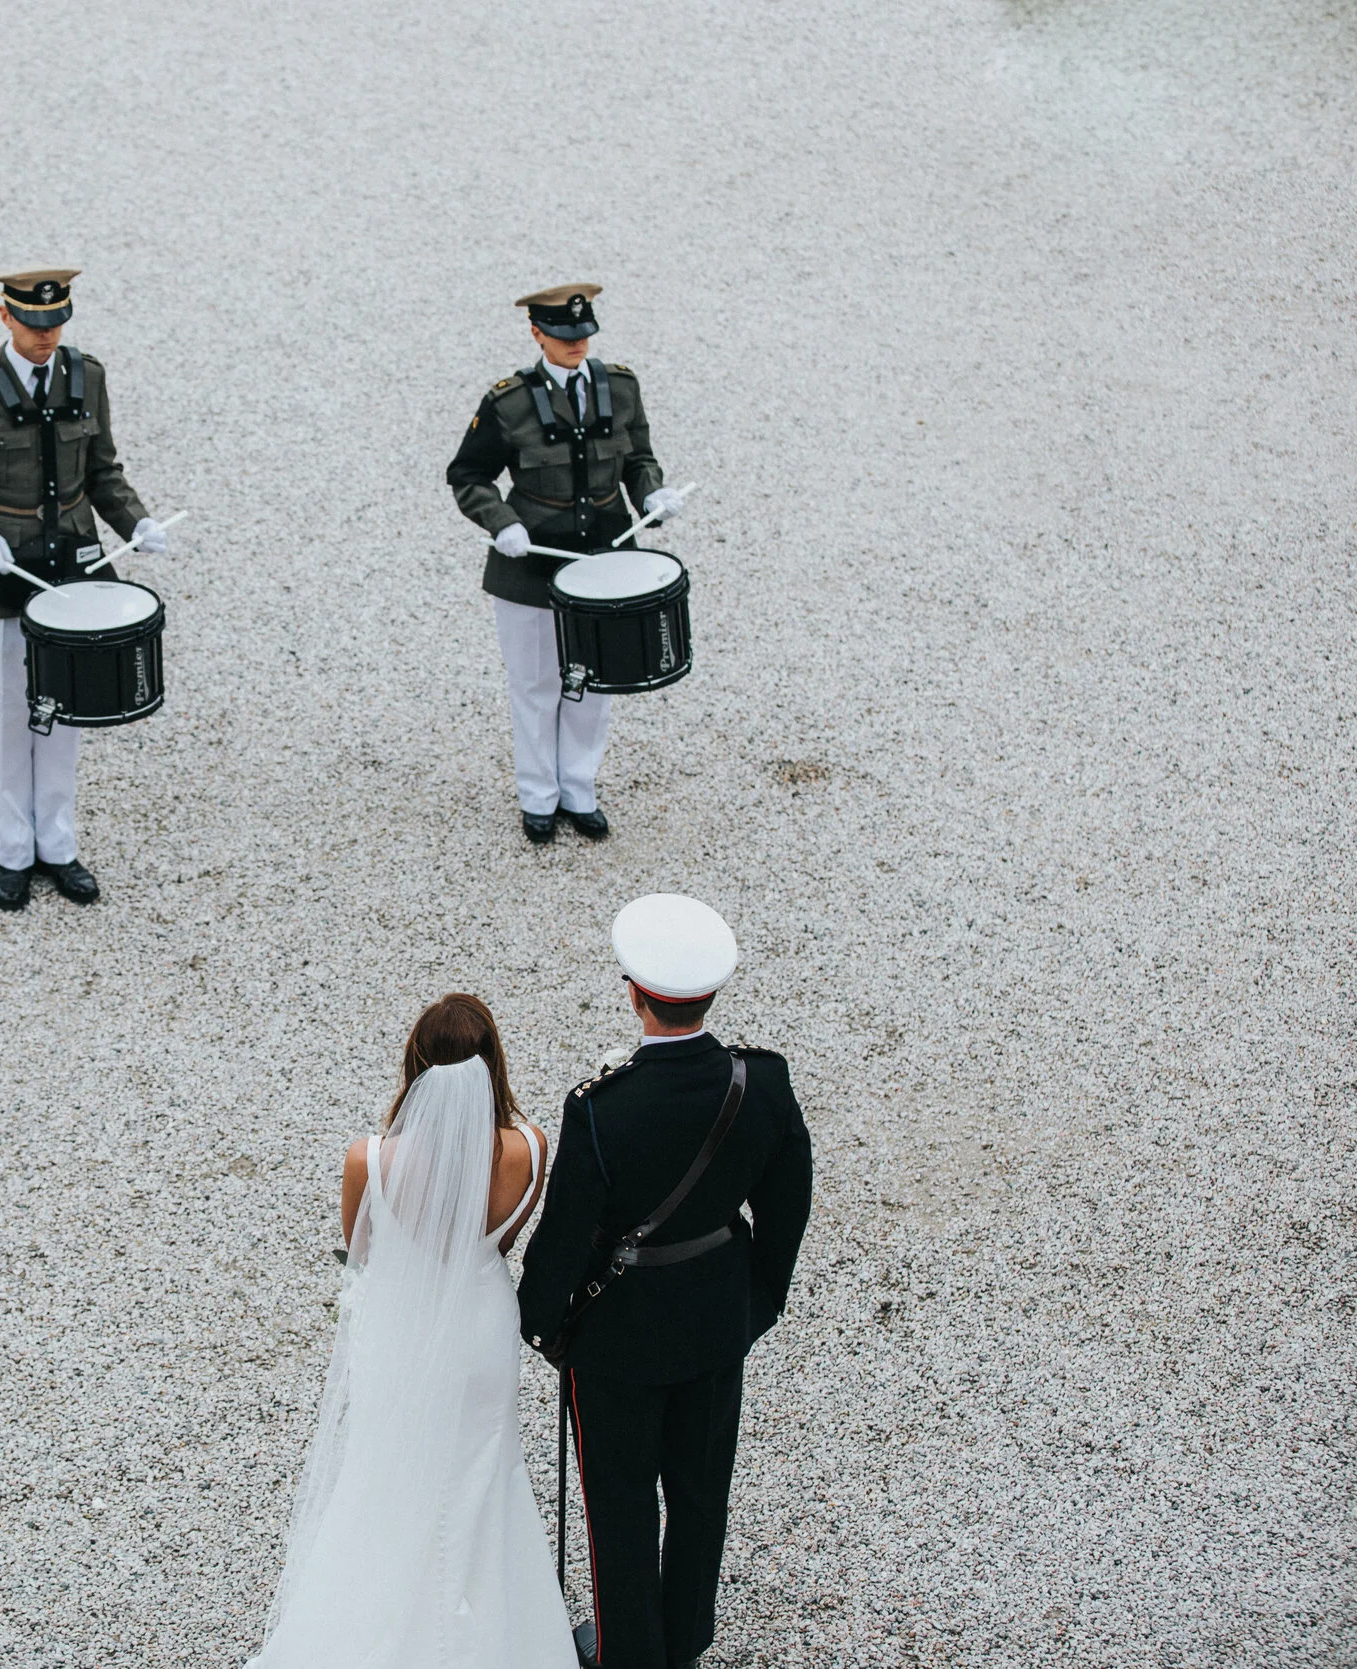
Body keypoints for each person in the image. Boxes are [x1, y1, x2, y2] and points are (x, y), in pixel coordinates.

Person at [517, 895, 814, 1669]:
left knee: (619, 1509)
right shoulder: (764, 1084)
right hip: (717, 1319)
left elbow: (565, 1235)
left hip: (616, 1340)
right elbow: (787, 1205)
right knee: (698, 1494)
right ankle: (680, 1642)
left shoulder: (598, 1110)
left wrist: (542, 1320)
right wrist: (758, 1299)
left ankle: (629, 1655)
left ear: (633, 991)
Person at [249, 994, 577, 1669]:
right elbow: (504, 1238)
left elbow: (362, 1248)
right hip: (484, 1324)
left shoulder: (370, 1159)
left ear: (416, 1067)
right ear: (494, 1068)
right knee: (487, 1476)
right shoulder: (533, 1147)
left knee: (391, 1478)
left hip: (405, 1328)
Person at [0, 269, 169, 911]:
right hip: (0, 573)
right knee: (3, 717)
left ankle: (59, 846)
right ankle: (13, 852)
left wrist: (137, 520)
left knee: (63, 714)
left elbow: (102, 470)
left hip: (71, 571)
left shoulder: (87, 377)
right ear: (5, 317)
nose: (46, 337)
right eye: (33, 324)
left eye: (56, 325)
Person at [446, 284, 689, 845]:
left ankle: (579, 788)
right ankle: (538, 796)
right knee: (535, 684)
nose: (576, 344)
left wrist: (652, 494)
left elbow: (638, 457)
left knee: (594, 680)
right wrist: (500, 521)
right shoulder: (508, 402)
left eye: (583, 335)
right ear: (537, 333)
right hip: (531, 565)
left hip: (604, 561)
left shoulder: (621, 388)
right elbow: (468, 475)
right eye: (562, 335)